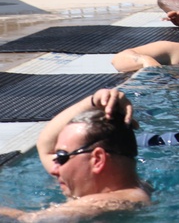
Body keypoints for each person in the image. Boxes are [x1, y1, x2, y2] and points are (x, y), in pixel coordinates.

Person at [0, 88, 150, 221]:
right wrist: (93, 101)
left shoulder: (110, 202)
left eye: (62, 157)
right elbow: (46, 146)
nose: (54, 169)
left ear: (97, 160)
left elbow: (28, 220)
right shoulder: (136, 187)